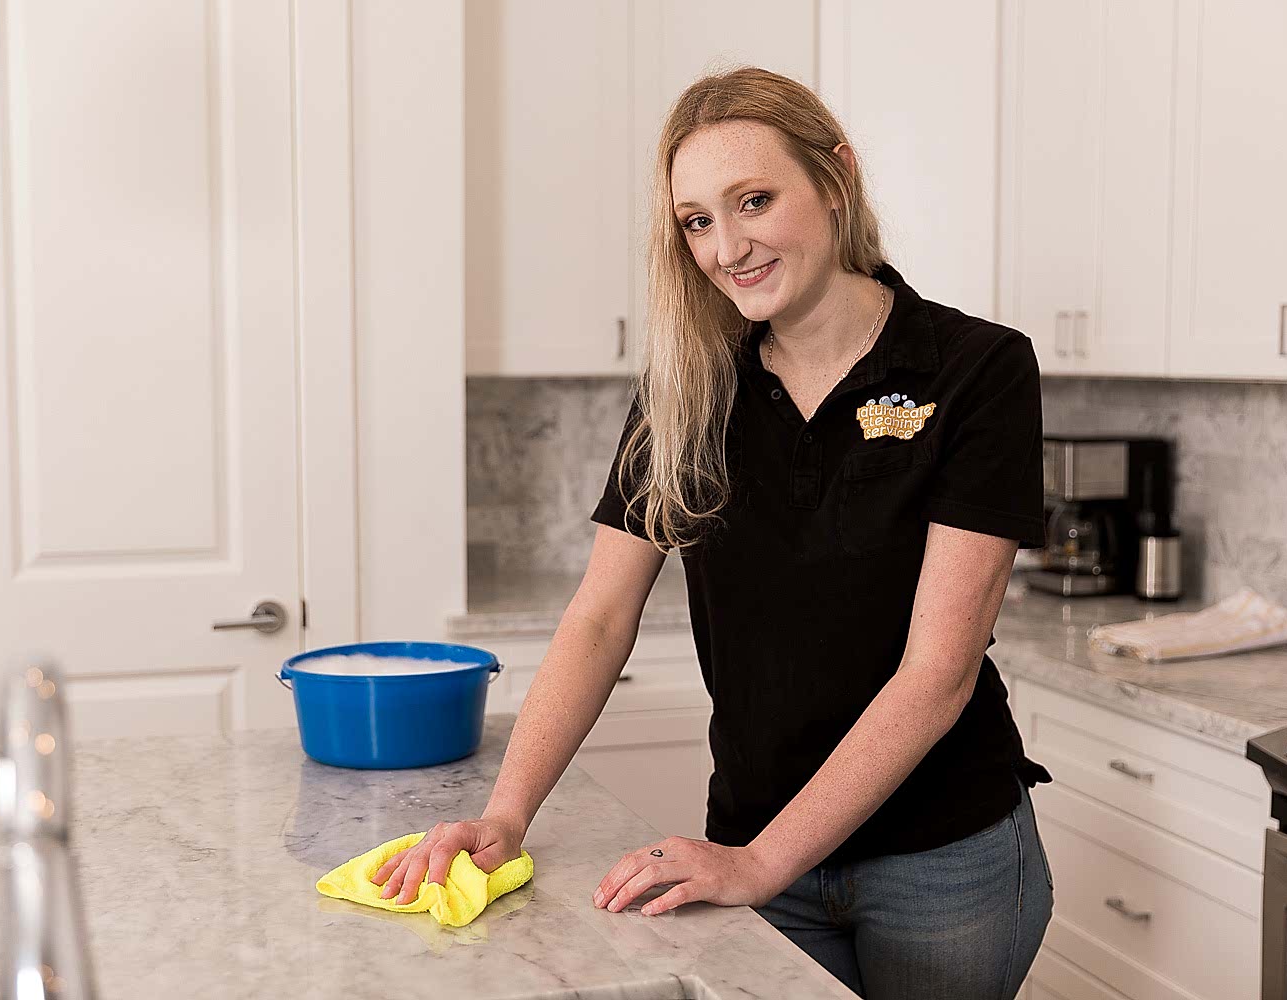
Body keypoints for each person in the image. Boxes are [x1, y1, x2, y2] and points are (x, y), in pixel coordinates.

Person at [372, 65, 1054, 1000]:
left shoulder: (977, 368)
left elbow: (938, 672)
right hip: (753, 840)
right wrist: (508, 816)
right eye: (697, 220)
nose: (727, 246)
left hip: (944, 860)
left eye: (755, 200)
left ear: (836, 178)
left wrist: (762, 863)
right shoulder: (689, 389)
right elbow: (601, 617)